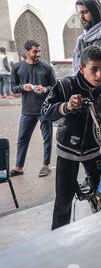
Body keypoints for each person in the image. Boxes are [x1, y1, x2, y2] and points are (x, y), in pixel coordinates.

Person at [42, 45, 101, 230]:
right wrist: (66, 106)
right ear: (82, 68)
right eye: (94, 69)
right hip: (67, 152)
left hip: (94, 152)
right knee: (63, 201)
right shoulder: (65, 85)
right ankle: (58, 240)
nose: (100, 75)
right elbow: (45, 111)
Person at [10, 40, 56, 178]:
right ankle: (19, 167)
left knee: (47, 138)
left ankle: (46, 165)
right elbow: (13, 88)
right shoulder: (17, 67)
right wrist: (23, 88)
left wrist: (45, 89)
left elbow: (55, 88)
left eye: (39, 51)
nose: (38, 54)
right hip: (27, 111)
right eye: (35, 51)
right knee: (22, 139)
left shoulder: (47, 68)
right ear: (26, 52)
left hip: (44, 110)